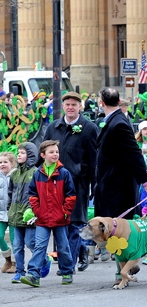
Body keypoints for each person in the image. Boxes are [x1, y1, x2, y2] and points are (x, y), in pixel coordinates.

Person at [94, 87, 147, 284]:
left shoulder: (118, 123)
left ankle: (122, 271)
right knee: (116, 231)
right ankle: (126, 267)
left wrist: (145, 179)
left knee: (117, 230)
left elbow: (134, 154)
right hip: (111, 184)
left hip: (117, 186)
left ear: (101, 102)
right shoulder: (116, 120)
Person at [43, 91, 98, 273]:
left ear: (80, 107)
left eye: (74, 104)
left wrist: (92, 183)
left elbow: (93, 159)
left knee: (74, 223)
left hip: (78, 183)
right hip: (55, 184)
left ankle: (68, 265)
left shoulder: (88, 128)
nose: (70, 107)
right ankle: (80, 251)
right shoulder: (53, 127)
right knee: (61, 224)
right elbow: (44, 154)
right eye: (67, 104)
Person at [21, 140, 76, 287]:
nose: (55, 154)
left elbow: (71, 195)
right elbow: (32, 195)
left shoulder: (64, 173)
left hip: (60, 218)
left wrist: (65, 212)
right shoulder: (38, 174)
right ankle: (33, 274)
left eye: (57, 152)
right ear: (43, 155)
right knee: (39, 246)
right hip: (43, 218)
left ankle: (67, 272)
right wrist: (37, 210)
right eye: (51, 152)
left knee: (63, 247)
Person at [8, 142, 49, 283]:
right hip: (15, 215)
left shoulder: (36, 173)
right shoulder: (14, 174)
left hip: (30, 216)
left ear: (30, 155)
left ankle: (44, 259)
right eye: (18, 153)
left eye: (23, 153)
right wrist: (9, 209)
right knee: (17, 245)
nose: (19, 155)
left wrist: (36, 211)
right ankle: (20, 271)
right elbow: (10, 193)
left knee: (30, 242)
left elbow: (42, 194)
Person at [0, 151, 16, 273]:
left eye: (5, 162)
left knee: (14, 239)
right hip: (1, 213)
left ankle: (15, 262)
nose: (2, 164)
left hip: (13, 213)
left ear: (12, 164)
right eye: (1, 162)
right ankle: (7, 260)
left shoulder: (15, 176)